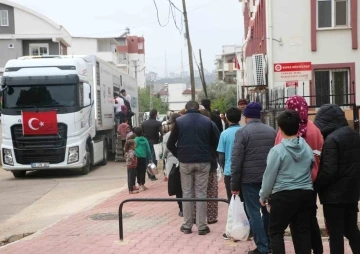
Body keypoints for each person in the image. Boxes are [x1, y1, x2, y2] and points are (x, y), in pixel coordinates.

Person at [260, 110, 315, 254]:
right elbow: (311, 167)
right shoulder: (307, 148)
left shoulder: (277, 151)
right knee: (302, 232)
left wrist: (263, 195)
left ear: (280, 128)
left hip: (283, 195)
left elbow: (269, 176)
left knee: (276, 232)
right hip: (305, 194)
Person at [275, 95, 323, 254]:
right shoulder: (315, 129)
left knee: (293, 225)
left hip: (289, 185)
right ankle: (318, 249)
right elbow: (321, 153)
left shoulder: (285, 131)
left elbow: (277, 157)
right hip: (311, 182)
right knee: (309, 219)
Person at [167, 100, 219, 235]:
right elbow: (216, 142)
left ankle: (187, 225)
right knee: (201, 193)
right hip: (203, 161)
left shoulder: (179, 122)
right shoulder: (208, 121)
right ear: (198, 108)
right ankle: (202, 226)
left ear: (186, 108)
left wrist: (179, 155)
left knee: (187, 193)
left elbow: (170, 143)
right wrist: (209, 153)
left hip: (185, 161)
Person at [314, 104, 360, 254]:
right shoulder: (355, 135)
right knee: (352, 229)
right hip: (352, 193)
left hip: (333, 197)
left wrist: (316, 184)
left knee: (335, 234)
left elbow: (329, 171)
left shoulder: (331, 140)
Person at [231, 102, 276, 254]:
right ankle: (269, 243)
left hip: (249, 180)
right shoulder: (272, 131)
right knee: (267, 211)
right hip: (269, 179)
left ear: (246, 116)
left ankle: (262, 247)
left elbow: (236, 160)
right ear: (260, 115)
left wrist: (234, 184)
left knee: (254, 213)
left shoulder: (242, 133)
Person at [197, 109, 220, 224]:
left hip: (195, 160)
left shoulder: (194, 126)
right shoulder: (212, 125)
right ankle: (211, 216)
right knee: (211, 190)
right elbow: (217, 143)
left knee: (197, 190)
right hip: (210, 161)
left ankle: (197, 216)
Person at [217, 107, 242, 203]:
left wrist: (224, 168)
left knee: (232, 200)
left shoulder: (224, 134)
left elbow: (221, 155)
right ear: (240, 118)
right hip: (244, 170)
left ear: (227, 118)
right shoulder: (244, 131)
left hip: (229, 170)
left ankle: (233, 217)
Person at [163, 113, 182, 217]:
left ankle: (181, 208)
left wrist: (163, 158)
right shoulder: (184, 133)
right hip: (184, 160)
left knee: (177, 186)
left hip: (171, 162)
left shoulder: (167, 135)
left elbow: (165, 150)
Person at [142, 109, 162, 181]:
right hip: (155, 141)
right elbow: (161, 133)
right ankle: (152, 175)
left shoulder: (144, 123)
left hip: (146, 141)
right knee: (154, 158)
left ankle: (149, 174)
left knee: (147, 157)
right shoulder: (158, 123)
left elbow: (142, 132)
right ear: (155, 114)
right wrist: (160, 140)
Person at [134, 127, 152, 191]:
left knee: (137, 171)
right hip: (143, 158)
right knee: (143, 171)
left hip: (136, 158)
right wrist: (150, 158)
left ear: (135, 133)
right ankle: (142, 185)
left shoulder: (134, 140)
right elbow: (148, 150)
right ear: (142, 133)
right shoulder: (145, 140)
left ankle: (138, 183)